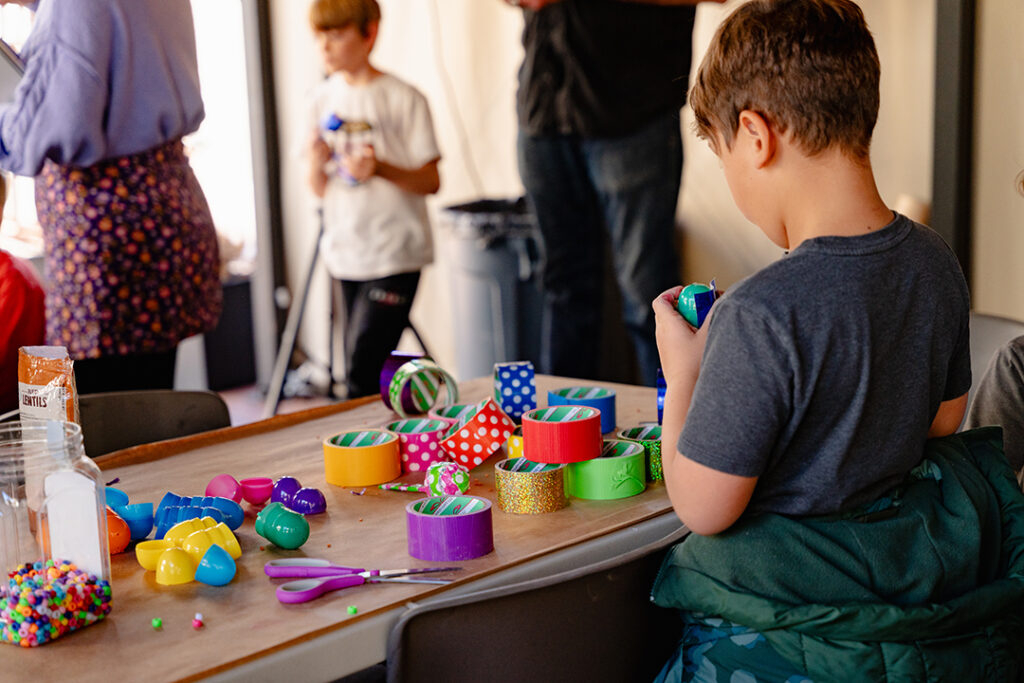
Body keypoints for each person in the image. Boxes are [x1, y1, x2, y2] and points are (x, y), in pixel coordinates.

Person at [650, 1, 1024, 680]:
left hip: (782, 634)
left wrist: (685, 376)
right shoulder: (936, 263)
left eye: (724, 155)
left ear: (756, 136)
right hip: (902, 620)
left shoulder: (759, 314)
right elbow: (941, 422)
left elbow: (703, 507)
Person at [0, 0, 221, 395]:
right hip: (162, 211)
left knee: (110, 429)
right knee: (150, 409)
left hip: (110, 242)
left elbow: (45, 132)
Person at [508, 0, 723, 387]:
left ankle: (670, 437)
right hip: (544, 109)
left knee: (650, 298)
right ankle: (562, 435)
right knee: (562, 289)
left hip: (632, 112)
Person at [306, 0, 441, 399]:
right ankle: (384, 444)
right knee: (359, 370)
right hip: (344, 252)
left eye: (336, 34)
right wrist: (315, 164)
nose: (325, 47)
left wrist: (379, 168)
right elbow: (317, 187)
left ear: (369, 33)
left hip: (394, 253)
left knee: (363, 371)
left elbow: (432, 180)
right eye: (319, 36)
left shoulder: (404, 97)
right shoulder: (320, 99)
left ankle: (368, 453)